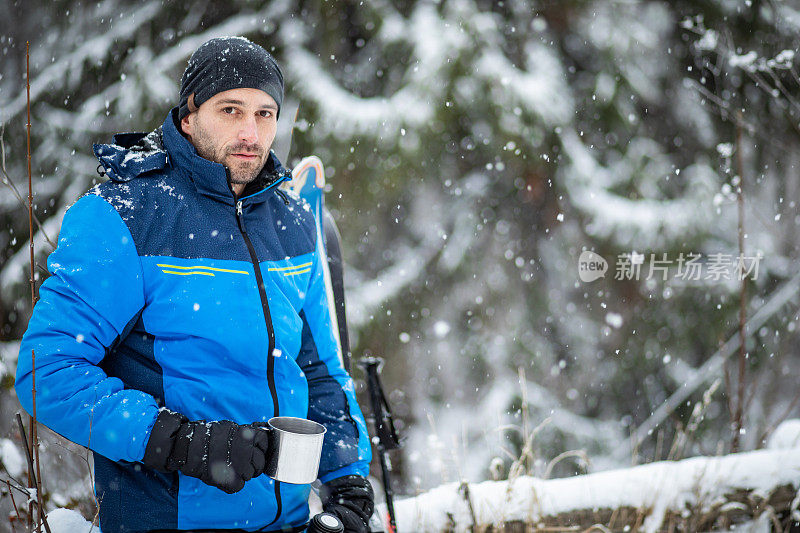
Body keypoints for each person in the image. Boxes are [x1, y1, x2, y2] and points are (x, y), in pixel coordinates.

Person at [15, 36, 374, 533]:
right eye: (230, 109)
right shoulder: (126, 216)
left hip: (288, 524)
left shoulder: (292, 222)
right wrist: (179, 440)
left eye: (265, 113)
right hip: (168, 521)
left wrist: (350, 484)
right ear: (188, 116)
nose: (250, 132)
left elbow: (319, 372)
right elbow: (46, 371)